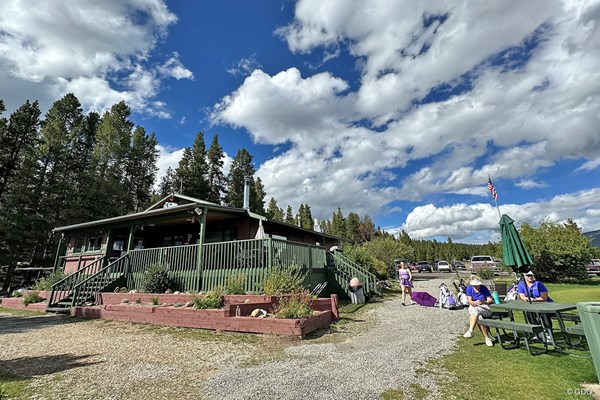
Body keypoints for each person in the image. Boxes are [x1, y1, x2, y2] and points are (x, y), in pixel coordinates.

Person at [518, 270, 553, 337]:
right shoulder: (521, 285)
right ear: (524, 276)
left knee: (544, 314)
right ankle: (537, 333)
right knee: (530, 313)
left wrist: (534, 299)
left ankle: (549, 333)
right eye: (528, 275)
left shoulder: (539, 284)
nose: (530, 277)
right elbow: (522, 296)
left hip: (547, 305)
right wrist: (526, 299)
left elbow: (544, 298)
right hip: (533, 306)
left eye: (531, 275)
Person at [463, 275, 495, 347]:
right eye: (474, 285)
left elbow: (490, 299)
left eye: (477, 285)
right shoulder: (469, 288)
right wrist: (476, 303)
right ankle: (487, 338)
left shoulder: (484, 288)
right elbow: (470, 301)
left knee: (475, 310)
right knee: (479, 317)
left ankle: (471, 330)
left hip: (484, 307)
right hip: (475, 307)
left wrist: (484, 302)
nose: (476, 286)